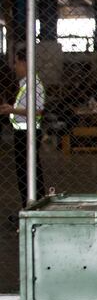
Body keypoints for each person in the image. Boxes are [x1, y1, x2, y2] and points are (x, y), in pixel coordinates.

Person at [0, 48, 46, 209]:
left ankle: (34, 205)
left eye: (16, 63)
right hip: (22, 133)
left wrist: (12, 110)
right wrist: (11, 108)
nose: (14, 67)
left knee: (29, 173)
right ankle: (29, 206)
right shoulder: (25, 83)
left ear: (24, 63)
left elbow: (38, 110)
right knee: (25, 173)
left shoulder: (34, 84)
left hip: (29, 133)